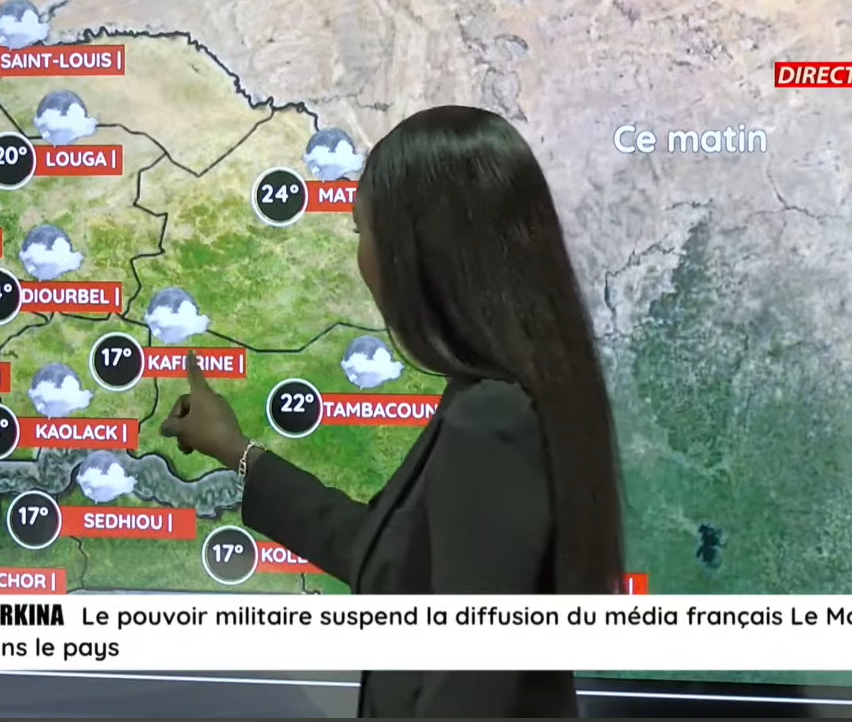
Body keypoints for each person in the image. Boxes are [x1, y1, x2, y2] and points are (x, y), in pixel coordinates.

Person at [160, 105, 624, 718]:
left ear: (420, 254)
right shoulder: (502, 394)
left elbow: (467, 690)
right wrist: (234, 450)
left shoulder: (492, 421)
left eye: (363, 232)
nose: (363, 259)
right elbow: (390, 562)